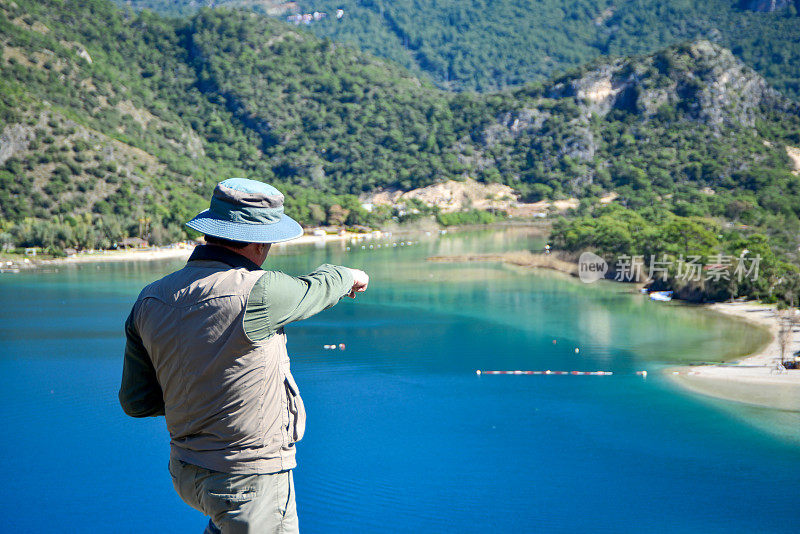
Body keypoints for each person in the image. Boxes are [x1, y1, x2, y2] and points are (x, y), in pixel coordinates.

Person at [119, 178, 369, 533]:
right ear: (260, 240)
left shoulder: (150, 299)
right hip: (249, 479)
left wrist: (198, 390)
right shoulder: (260, 291)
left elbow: (136, 402)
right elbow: (315, 290)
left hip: (186, 472)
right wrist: (351, 275)